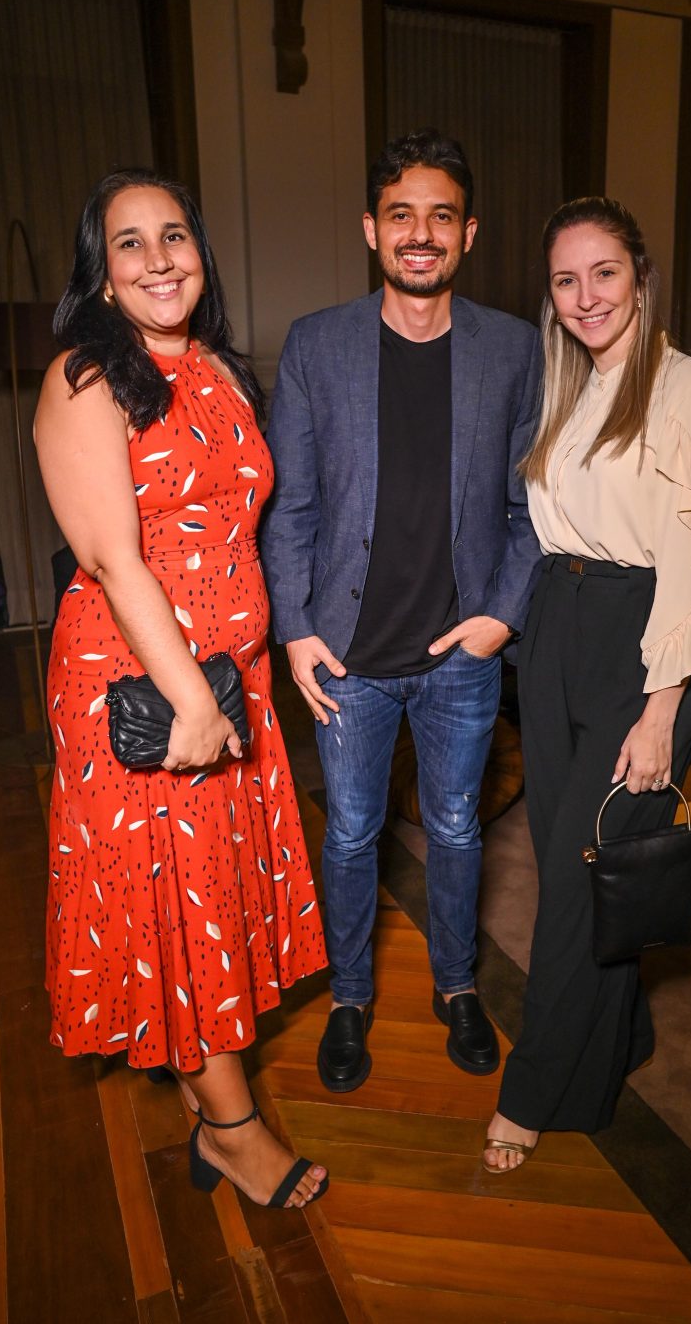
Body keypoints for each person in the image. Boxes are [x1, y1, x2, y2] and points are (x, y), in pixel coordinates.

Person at [34, 169, 328, 1209]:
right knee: (176, 909)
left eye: (175, 236)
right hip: (146, 688)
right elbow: (114, 556)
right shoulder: (85, 376)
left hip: (228, 679)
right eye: (129, 242)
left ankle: (215, 1109)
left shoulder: (212, 366)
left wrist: (256, 664)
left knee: (212, 901)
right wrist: (194, 704)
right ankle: (235, 1131)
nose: (159, 257)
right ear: (102, 275)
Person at [260, 130, 542, 1093]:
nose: (419, 234)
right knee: (348, 835)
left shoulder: (513, 348)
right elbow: (289, 506)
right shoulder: (315, 343)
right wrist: (294, 629)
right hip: (345, 657)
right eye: (400, 214)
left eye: (440, 215)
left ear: (469, 232)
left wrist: (501, 616)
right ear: (369, 229)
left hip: (461, 655)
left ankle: (458, 987)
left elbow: (529, 507)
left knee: (459, 830)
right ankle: (350, 999)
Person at [483, 197, 691, 1171]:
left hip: (643, 649)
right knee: (573, 866)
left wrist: (664, 705)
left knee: (576, 882)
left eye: (603, 272)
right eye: (565, 278)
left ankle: (536, 1087)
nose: (586, 295)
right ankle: (618, 1038)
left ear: (639, 275)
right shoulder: (570, 387)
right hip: (559, 631)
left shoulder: (690, 392)